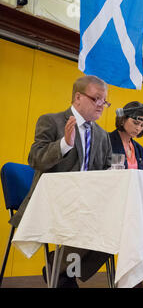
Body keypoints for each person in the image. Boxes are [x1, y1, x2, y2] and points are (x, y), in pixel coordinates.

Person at [9, 75, 113, 288]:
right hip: (54, 203)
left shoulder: (103, 136)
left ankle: (61, 268)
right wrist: (64, 144)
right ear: (78, 97)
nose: (102, 105)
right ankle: (64, 273)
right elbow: (35, 159)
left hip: (87, 204)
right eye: (97, 99)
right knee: (94, 219)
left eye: (105, 101)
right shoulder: (52, 121)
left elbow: (106, 172)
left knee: (118, 222)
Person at [109, 101, 143, 170]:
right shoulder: (107, 140)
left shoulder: (139, 148)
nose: (138, 128)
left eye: (142, 125)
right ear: (123, 119)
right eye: (135, 123)